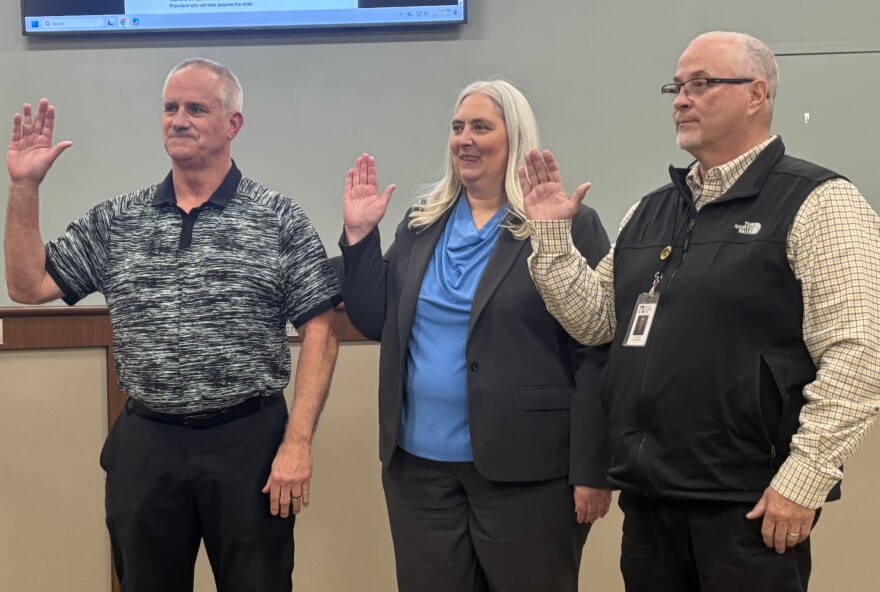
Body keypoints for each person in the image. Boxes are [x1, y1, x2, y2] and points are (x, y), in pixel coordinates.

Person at [522, 31, 880, 592]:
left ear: (756, 95)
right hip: (651, 499)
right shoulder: (650, 211)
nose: (680, 100)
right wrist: (549, 235)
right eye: (677, 86)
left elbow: (859, 352)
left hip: (752, 506)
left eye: (701, 84)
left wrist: (803, 481)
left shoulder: (820, 201)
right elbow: (594, 320)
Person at [4, 58, 340, 592]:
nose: (178, 119)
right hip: (147, 442)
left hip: (248, 442)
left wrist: (297, 443)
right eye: (170, 107)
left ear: (233, 125)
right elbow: (28, 286)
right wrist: (25, 188)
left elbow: (320, 329)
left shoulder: (278, 218)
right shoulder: (118, 219)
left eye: (196, 108)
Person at [339, 79, 612, 591]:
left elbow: (596, 349)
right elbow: (377, 320)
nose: (465, 138)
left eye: (481, 127)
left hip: (528, 472)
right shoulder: (422, 223)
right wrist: (359, 237)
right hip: (419, 472)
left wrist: (592, 468)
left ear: (515, 138)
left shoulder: (564, 223)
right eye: (458, 127)